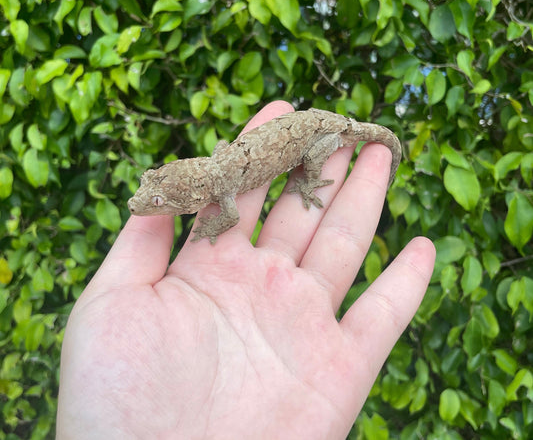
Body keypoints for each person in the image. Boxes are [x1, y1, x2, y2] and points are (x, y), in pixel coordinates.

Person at [56, 101, 435, 439]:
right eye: (152, 193)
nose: (141, 204)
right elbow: (224, 158)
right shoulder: (216, 167)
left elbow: (232, 215)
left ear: (192, 198)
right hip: (305, 126)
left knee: (313, 165)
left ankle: (330, 170)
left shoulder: (221, 187)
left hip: (324, 133)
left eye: (156, 200)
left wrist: (301, 181)